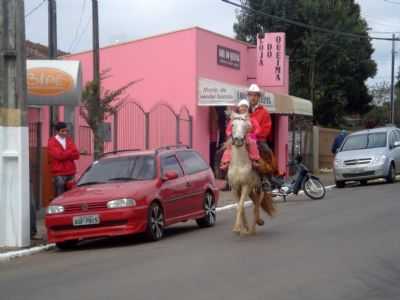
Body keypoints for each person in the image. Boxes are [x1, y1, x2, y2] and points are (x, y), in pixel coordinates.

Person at [220, 99, 261, 170]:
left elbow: (258, 128)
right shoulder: (234, 119)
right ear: (239, 108)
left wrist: (254, 133)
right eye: (241, 106)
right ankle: (226, 162)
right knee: (228, 146)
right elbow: (228, 129)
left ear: (248, 108)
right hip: (235, 135)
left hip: (249, 135)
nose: (243, 108)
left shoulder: (251, 118)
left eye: (245, 107)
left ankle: (254, 159)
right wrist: (230, 134)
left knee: (252, 142)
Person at [48, 122, 80, 197]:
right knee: (60, 195)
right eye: (62, 131)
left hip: (71, 171)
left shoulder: (69, 140)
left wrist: (65, 153)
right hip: (59, 173)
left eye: (66, 131)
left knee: (71, 194)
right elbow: (59, 156)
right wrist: (70, 152)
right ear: (57, 131)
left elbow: (77, 155)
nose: (65, 133)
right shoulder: (52, 142)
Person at [247, 84, 272, 153]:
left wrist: (253, 136)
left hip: (259, 140)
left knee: (268, 154)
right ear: (248, 97)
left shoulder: (264, 112)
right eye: (251, 95)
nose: (253, 97)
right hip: (244, 139)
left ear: (259, 97)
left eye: (255, 95)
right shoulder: (243, 110)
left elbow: (266, 129)